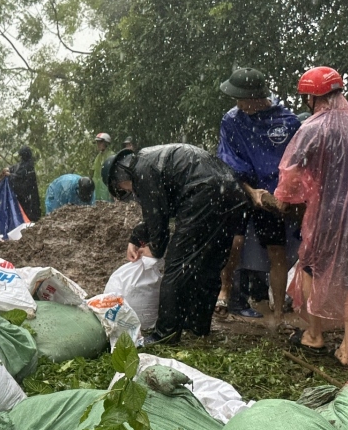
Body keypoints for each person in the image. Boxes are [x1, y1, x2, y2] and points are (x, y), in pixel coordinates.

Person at [275, 67, 348, 367]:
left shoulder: (313, 128)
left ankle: (315, 334)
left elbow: (292, 171)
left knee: (311, 267)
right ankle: (347, 350)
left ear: (312, 97)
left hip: (328, 213)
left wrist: (284, 199)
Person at [104, 144, 247, 345]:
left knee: (176, 266)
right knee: (209, 263)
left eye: (122, 190)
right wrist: (136, 238)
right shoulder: (149, 161)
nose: (128, 192)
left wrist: (154, 248)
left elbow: (157, 218)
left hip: (204, 193)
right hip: (231, 191)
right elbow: (161, 209)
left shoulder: (141, 171)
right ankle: (198, 325)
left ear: (119, 179)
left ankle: (166, 334)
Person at [215, 66, 302, 326]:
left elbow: (297, 162)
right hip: (242, 189)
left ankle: (277, 312)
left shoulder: (287, 122)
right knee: (234, 242)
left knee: (278, 252)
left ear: (257, 97)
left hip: (276, 196)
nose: (239, 105)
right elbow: (228, 161)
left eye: (243, 99)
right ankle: (225, 291)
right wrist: (251, 191)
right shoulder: (231, 121)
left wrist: (281, 194)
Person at [9, 146, 42, 222]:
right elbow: (16, 168)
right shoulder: (23, 163)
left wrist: (10, 175)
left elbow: (20, 176)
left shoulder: (29, 165)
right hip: (23, 193)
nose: (21, 157)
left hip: (26, 193)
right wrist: (9, 170)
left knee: (28, 209)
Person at [91, 133, 114, 202]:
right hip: (97, 189)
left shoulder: (111, 155)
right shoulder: (98, 157)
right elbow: (94, 172)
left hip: (107, 189)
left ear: (106, 143)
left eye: (100, 142)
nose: (98, 144)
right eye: (97, 142)